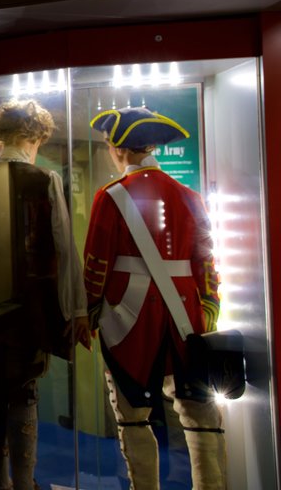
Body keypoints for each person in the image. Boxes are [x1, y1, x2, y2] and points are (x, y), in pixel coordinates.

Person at [84, 107, 225, 489]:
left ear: (118, 149)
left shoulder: (110, 196)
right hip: (186, 316)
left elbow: (96, 264)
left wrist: (89, 311)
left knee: (133, 416)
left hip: (130, 323)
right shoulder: (189, 195)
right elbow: (206, 259)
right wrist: (209, 305)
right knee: (199, 415)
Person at [0, 100, 90, 490]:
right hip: (31, 312)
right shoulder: (43, 180)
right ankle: (23, 481)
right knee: (25, 393)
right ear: (32, 138)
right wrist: (76, 311)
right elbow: (65, 251)